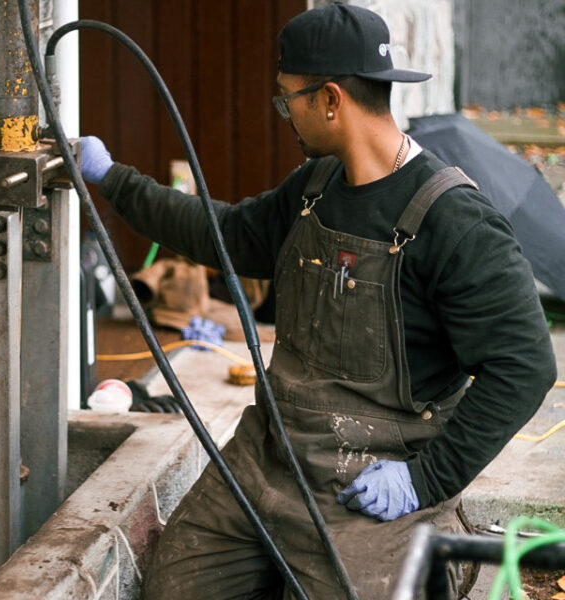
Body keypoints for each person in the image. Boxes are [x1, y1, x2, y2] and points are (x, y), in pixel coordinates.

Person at [79, 4, 557, 599]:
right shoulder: (315, 187)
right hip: (269, 457)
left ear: (330, 99)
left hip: (370, 482)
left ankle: (435, 554)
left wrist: (425, 479)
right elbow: (223, 234)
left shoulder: (454, 221)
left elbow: (526, 366)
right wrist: (111, 178)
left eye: (287, 100)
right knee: (174, 590)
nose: (285, 115)